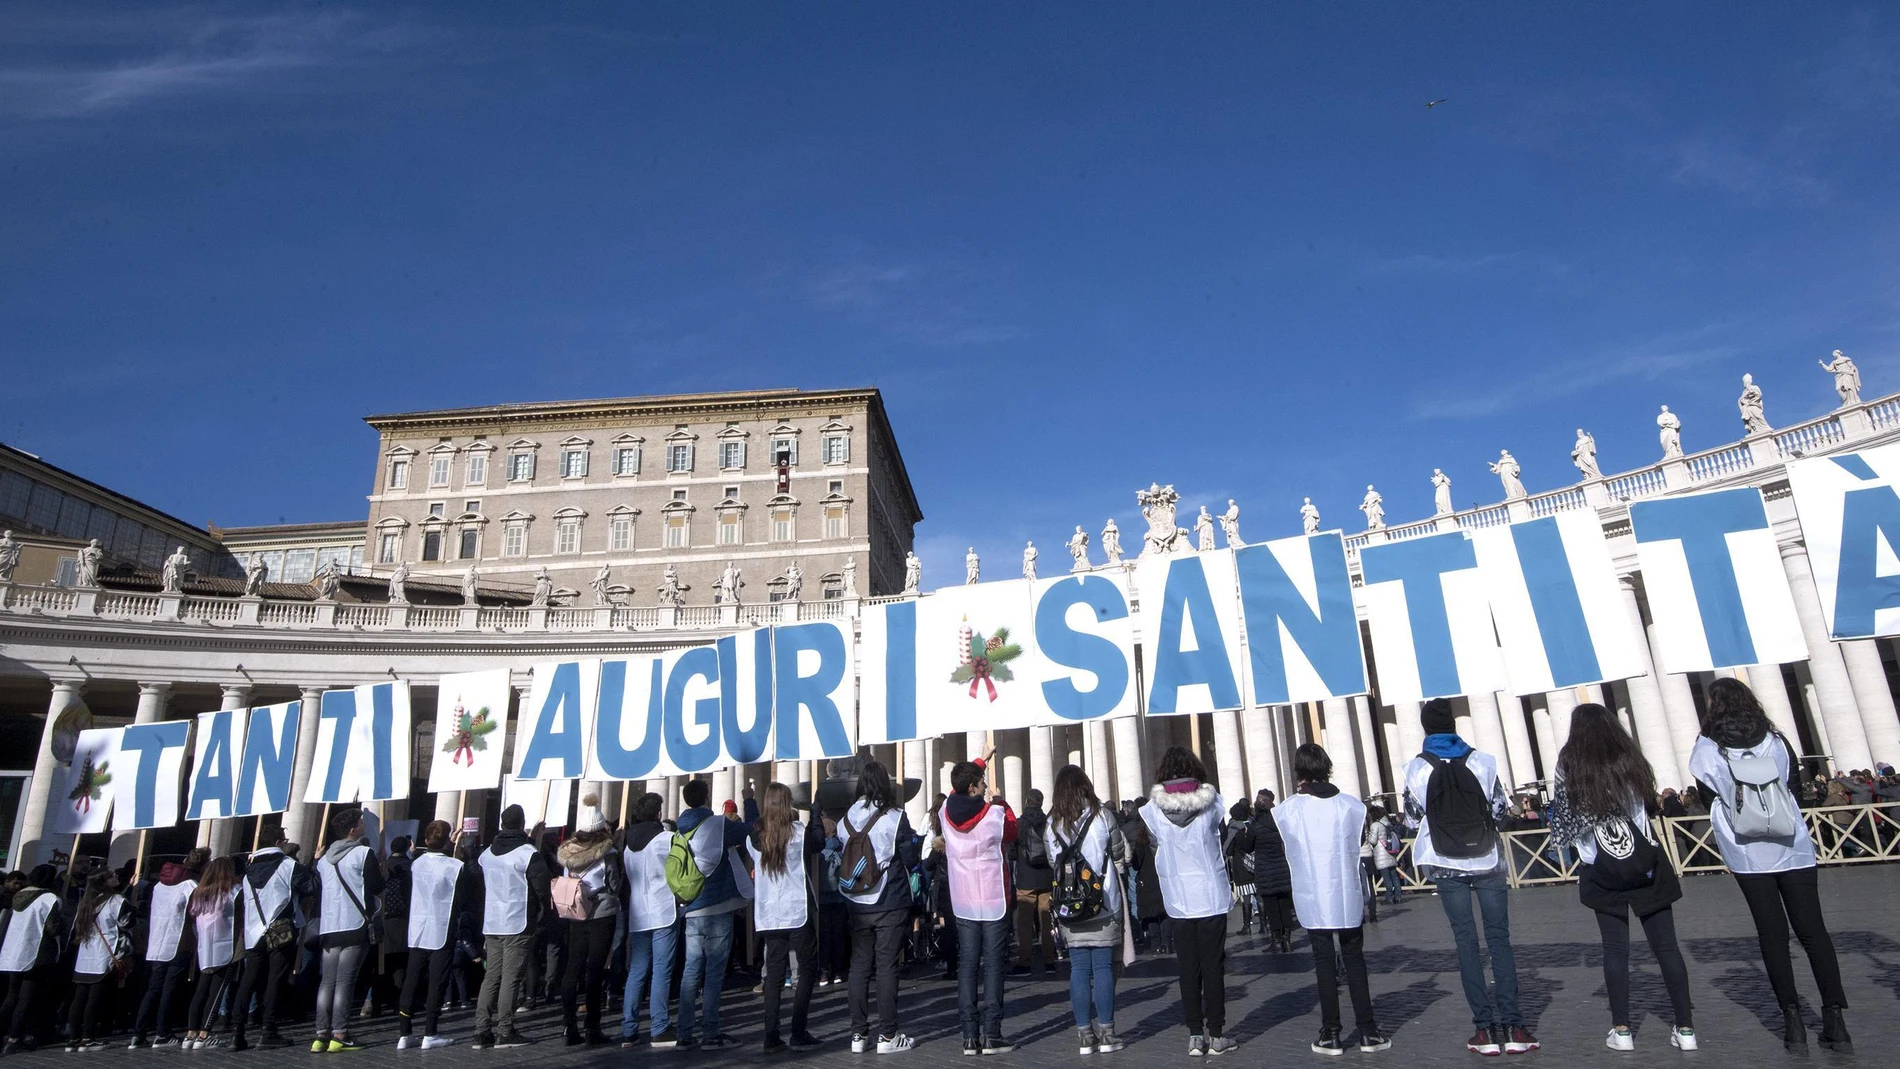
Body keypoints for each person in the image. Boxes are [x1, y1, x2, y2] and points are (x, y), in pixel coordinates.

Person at [1689, 678, 1851, 1054]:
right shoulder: (1775, 740)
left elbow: (1706, 795)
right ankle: (1835, 1021)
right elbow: (1794, 788)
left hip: (1747, 849)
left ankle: (1792, 1021)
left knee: (1772, 934)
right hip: (1790, 843)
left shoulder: (1707, 748)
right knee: (1814, 932)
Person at [1546, 703, 1695, 1053]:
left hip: (1600, 864)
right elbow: (1647, 807)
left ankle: (1622, 1029)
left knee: (1615, 949)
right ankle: (1686, 1028)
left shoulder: (1570, 763)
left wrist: (1588, 857)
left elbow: (1564, 818)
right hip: (1644, 860)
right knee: (1667, 947)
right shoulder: (1630, 758)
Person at [1401, 698, 1537, 1056]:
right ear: (1453, 724)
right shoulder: (1483, 761)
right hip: (1487, 859)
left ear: (1426, 727)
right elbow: (1498, 812)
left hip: (1446, 863)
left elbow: (1412, 821)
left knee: (1466, 943)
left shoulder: (1415, 769)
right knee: (1499, 940)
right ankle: (1516, 1026)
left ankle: (1484, 1030)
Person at [1277, 744, 1390, 1055]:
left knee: (1324, 964)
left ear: (1299, 772)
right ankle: (1368, 1031)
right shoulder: (1352, 806)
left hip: (1314, 897)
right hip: (1347, 893)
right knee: (1355, 962)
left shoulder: (1289, 809)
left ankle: (1331, 1033)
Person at [1139, 745, 1236, 1056]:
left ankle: (1195, 1034)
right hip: (1210, 893)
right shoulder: (1212, 802)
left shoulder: (1153, 809)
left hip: (1178, 896)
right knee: (1213, 965)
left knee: (1188, 967)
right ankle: (1217, 1033)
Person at [1048, 764, 1129, 1055]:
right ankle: (1107, 1033)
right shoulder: (1102, 816)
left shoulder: (1052, 824)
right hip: (1103, 901)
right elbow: (1119, 852)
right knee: (1103, 968)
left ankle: (1084, 1035)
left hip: (1069, 906)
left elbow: (1051, 861)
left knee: (1079, 969)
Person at [841, 760, 921, 1054]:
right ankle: (888, 1035)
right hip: (889, 898)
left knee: (859, 966)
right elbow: (909, 856)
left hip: (856, 901)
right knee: (886, 967)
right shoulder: (895, 816)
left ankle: (858, 1035)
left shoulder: (846, 818)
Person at [941, 759, 1019, 1055]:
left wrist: (979, 761)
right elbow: (1013, 830)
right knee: (994, 965)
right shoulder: (995, 815)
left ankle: (969, 1036)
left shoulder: (945, 812)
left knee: (967, 966)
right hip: (993, 896)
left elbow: (955, 789)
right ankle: (992, 1033)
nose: (986, 786)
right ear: (973, 788)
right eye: (982, 782)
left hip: (963, 899)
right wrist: (1001, 800)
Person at [674, 778, 756, 1050]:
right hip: (718, 906)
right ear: (707, 798)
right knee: (713, 974)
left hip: (692, 907)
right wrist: (749, 801)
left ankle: (684, 1033)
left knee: (690, 971)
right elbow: (751, 831)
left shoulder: (679, 829)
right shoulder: (717, 826)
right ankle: (710, 1032)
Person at [748, 782, 826, 1053]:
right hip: (797, 909)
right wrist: (815, 813)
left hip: (770, 913)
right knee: (806, 969)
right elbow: (819, 842)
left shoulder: (755, 837)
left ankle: (771, 1034)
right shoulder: (798, 833)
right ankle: (798, 1029)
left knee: (775, 975)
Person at [473, 803, 553, 1049]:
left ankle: (481, 1030)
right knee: (511, 978)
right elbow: (542, 887)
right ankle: (505, 1030)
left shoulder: (486, 854)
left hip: (493, 921)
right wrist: (543, 913)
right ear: (521, 823)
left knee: (492, 976)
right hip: (518, 920)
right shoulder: (528, 853)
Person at [233, 824, 316, 1051]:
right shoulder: (288, 866)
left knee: (248, 980)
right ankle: (268, 1030)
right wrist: (315, 865)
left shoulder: (248, 871)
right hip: (280, 927)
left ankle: (237, 1032)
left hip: (253, 931)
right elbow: (311, 887)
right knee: (275, 980)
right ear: (280, 843)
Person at [313, 807, 385, 1052]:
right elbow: (376, 886)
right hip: (354, 923)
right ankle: (340, 1033)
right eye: (362, 823)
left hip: (330, 925)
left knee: (327, 983)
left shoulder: (323, 860)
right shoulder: (363, 853)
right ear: (353, 830)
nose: (365, 826)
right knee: (345, 982)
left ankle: (320, 1034)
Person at [555, 797, 622, 1046]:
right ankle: (593, 1026)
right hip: (601, 912)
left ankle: (568, 1025)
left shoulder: (567, 851)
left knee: (572, 966)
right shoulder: (608, 852)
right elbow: (614, 883)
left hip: (575, 911)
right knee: (595, 969)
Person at [397, 820, 469, 1050]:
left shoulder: (415, 864)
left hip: (418, 926)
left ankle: (404, 1031)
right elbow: (463, 899)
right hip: (441, 925)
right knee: (437, 981)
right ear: (447, 839)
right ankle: (430, 1031)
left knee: (412, 978)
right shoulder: (455, 866)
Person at [131, 847, 207, 1048]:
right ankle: (163, 1032)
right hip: (179, 939)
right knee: (169, 988)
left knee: (153, 988)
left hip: (157, 938)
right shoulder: (191, 885)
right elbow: (196, 913)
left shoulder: (158, 885)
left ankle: (138, 1033)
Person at [620, 791, 679, 1048]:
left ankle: (628, 1027)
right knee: (661, 970)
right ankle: (659, 1025)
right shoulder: (666, 839)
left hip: (638, 911)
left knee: (637, 970)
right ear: (658, 814)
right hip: (663, 908)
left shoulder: (627, 842)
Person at [67, 869, 129, 1051]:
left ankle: (74, 1038)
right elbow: (126, 922)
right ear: (104, 881)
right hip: (104, 953)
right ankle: (88, 1037)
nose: (116, 877)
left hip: (85, 954)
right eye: (112, 876)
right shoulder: (116, 900)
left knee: (80, 997)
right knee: (94, 999)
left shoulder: (86, 902)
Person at [184, 856, 241, 1050]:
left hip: (205, 946)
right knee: (216, 992)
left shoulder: (199, 892)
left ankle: (191, 1032)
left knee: (201, 989)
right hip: (225, 945)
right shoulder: (232, 891)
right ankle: (204, 1033)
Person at [0, 865, 58, 1055]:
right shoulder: (49, 899)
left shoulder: (18, 897)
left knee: (11, 996)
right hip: (35, 953)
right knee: (25, 999)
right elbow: (53, 928)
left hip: (13, 952)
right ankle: (14, 1038)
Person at [1239, 789, 1295, 953]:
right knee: (1284, 906)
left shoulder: (1255, 826)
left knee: (1272, 907)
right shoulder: (1281, 823)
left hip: (1265, 871)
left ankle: (1277, 942)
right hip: (1283, 869)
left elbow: (1247, 848)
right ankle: (1287, 940)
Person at [1011, 788, 1056, 976]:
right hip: (1046, 877)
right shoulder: (1048, 823)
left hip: (1026, 878)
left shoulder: (1019, 824)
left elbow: (1011, 852)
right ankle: (1050, 960)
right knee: (1047, 920)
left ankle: (1025, 962)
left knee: (1025, 923)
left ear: (1026, 801)